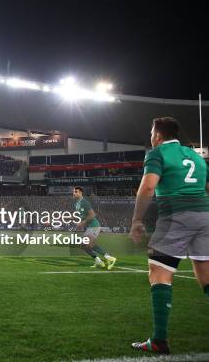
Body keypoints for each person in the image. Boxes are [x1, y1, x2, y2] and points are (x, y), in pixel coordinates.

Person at [129, 117, 209, 354]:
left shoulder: (156, 153)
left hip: (175, 215)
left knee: (159, 273)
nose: (151, 137)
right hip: (204, 215)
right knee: (206, 275)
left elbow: (148, 186)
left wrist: (136, 221)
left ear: (157, 136)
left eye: (151, 132)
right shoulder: (195, 155)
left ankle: (159, 340)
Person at [73, 186, 117, 269]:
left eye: (76, 191)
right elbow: (79, 216)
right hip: (89, 227)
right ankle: (99, 261)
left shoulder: (84, 202)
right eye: (74, 191)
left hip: (93, 226)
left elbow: (93, 215)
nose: (74, 193)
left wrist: (83, 222)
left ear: (81, 193)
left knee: (86, 244)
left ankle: (109, 258)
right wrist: (62, 218)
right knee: (85, 246)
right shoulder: (76, 204)